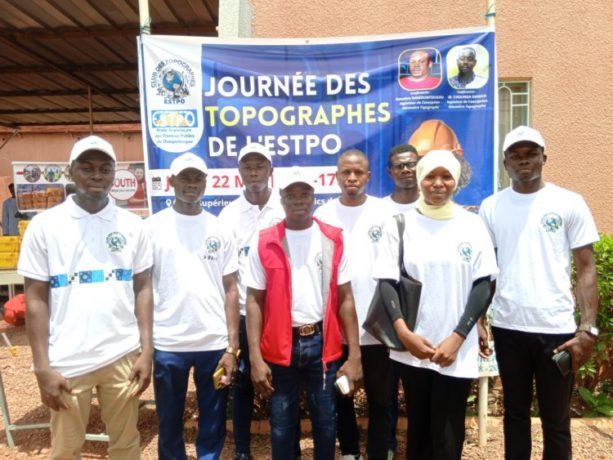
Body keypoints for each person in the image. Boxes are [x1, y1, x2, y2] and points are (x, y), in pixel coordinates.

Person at [18, 135, 153, 459]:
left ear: (114, 174)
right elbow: (35, 300)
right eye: (87, 168)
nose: (97, 175)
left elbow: (143, 289)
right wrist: (41, 367)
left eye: (105, 169)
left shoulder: (133, 226)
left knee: (126, 444)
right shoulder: (45, 226)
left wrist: (146, 351)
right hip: (68, 359)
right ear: (71, 172)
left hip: (122, 354)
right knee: (66, 448)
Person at [479, 126, 600, 459]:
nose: (524, 161)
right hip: (508, 328)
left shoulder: (568, 202)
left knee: (556, 419)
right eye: (515, 155)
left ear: (544, 158)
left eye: (531, 154)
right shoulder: (491, 207)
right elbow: (487, 272)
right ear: (505, 162)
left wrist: (588, 328)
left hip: (556, 330)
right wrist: (479, 320)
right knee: (515, 414)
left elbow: (586, 269)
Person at [373, 150, 498, 459]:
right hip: (413, 346)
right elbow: (387, 282)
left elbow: (483, 284)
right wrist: (404, 334)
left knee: (448, 431)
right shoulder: (400, 224)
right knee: (418, 427)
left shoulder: (472, 225)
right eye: (430, 176)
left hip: (457, 347)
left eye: (446, 176)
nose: (438, 184)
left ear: (456, 181)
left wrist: (458, 336)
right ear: (420, 179)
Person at [245, 166, 363, 460]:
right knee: (282, 422)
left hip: (322, 344)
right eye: (291, 194)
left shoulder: (333, 238)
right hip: (279, 347)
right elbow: (254, 301)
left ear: (314, 197)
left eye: (305, 193)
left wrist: (355, 355)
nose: (298, 199)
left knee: (326, 419)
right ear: (281, 198)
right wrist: (255, 357)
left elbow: (346, 299)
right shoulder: (264, 241)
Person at [145, 152, 239, 459]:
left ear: (206, 182)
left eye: (197, 177)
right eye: (185, 177)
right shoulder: (151, 228)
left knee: (213, 419)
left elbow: (231, 289)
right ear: (171, 182)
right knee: (169, 420)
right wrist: (144, 343)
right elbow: (142, 288)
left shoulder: (219, 228)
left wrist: (232, 346)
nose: (191, 184)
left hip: (213, 343)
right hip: (168, 343)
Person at [314, 149, 392, 460]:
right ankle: (349, 451)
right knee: (342, 393)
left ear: (368, 176)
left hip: (377, 324)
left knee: (381, 397)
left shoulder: (384, 213)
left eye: (358, 172)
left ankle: (380, 450)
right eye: (346, 172)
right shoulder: (323, 215)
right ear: (336, 176)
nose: (352, 178)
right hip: (337, 324)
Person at [217, 142, 286, 460]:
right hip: (245, 313)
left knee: (283, 384)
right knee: (242, 384)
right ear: (240, 172)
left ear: (271, 170)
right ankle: (242, 451)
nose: (254, 171)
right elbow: (227, 275)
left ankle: (286, 450)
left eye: (260, 165)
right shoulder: (229, 215)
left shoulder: (286, 207)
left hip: (282, 314)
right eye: (248, 166)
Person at [383, 144, 420, 212]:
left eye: (411, 164)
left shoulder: (432, 205)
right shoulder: (380, 208)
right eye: (398, 166)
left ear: (420, 167)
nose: (405, 170)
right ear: (390, 172)